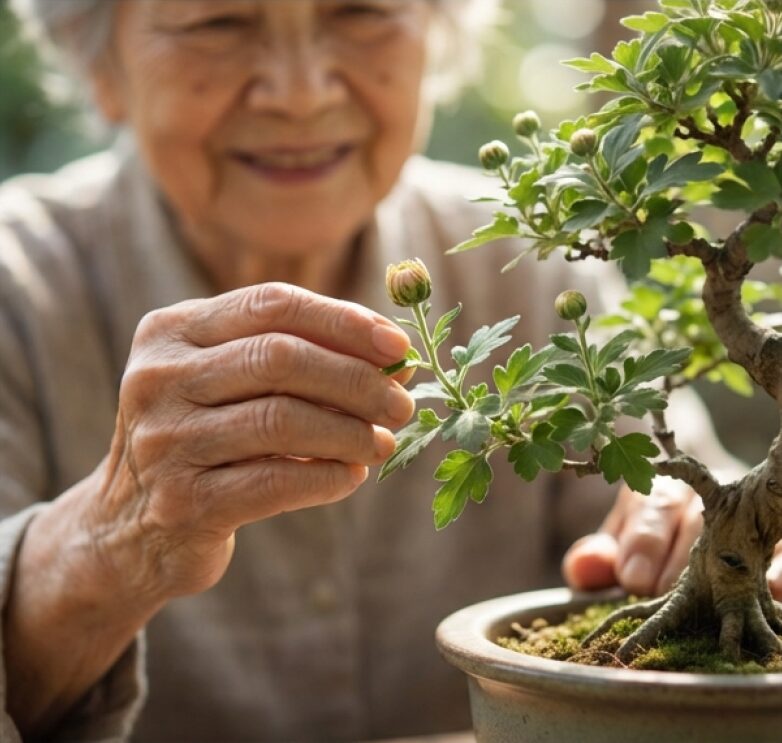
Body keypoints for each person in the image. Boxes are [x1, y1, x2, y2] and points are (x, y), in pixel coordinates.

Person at [0, 1, 766, 741]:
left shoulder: (530, 259)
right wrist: (112, 538)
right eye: (217, 21)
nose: (300, 92)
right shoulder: (19, 291)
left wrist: (682, 532)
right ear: (96, 59)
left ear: (434, 34)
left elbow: (692, 488)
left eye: (360, 10)